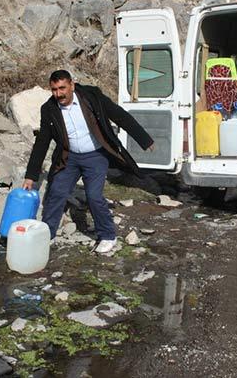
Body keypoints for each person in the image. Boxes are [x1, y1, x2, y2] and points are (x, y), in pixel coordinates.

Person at [22, 70, 154, 253]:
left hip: (95, 155)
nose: (58, 94)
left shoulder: (91, 97)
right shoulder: (49, 109)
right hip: (69, 157)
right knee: (56, 192)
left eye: (62, 88)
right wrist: (31, 175)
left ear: (72, 85)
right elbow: (42, 142)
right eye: (54, 90)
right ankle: (48, 234)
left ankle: (108, 235)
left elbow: (119, 115)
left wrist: (144, 139)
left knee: (94, 196)